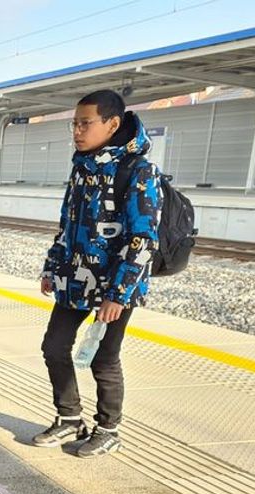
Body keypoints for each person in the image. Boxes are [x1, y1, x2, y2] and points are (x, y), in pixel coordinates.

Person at [34, 89, 161, 457]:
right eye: (74, 123)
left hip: (114, 286)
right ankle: (70, 418)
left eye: (85, 123)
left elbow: (143, 238)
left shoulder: (138, 171)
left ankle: (108, 428)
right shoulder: (82, 167)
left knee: (105, 357)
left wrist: (117, 294)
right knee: (54, 347)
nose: (77, 130)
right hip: (74, 278)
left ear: (113, 123)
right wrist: (52, 268)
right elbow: (67, 225)